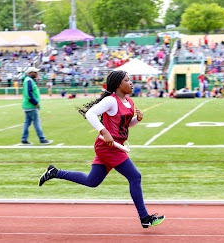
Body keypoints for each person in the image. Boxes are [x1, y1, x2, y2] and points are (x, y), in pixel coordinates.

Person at [38, 70, 165, 229]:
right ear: (118, 85)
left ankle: (55, 172)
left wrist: (137, 120)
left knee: (92, 181)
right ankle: (145, 218)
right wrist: (104, 132)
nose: (131, 83)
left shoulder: (129, 102)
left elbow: (124, 125)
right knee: (135, 177)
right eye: (127, 80)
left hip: (116, 146)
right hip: (107, 148)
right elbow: (91, 113)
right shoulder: (111, 101)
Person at [21, 67, 52, 145]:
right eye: (35, 72)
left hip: (27, 106)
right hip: (31, 106)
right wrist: (35, 103)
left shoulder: (28, 80)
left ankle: (24, 139)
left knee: (27, 123)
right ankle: (42, 139)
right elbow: (29, 94)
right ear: (30, 73)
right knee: (36, 123)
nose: (36, 73)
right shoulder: (29, 81)